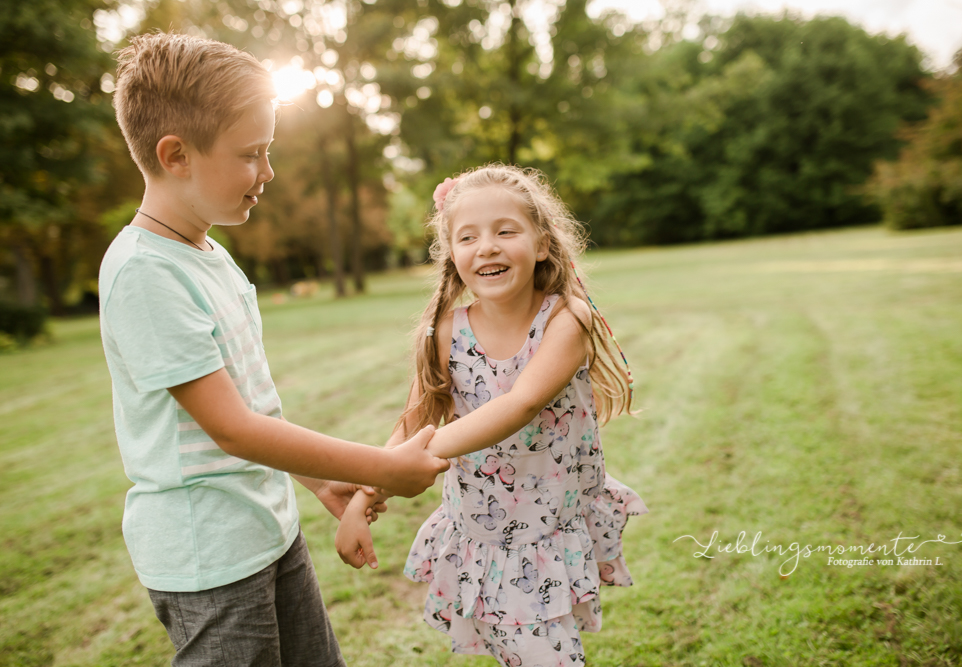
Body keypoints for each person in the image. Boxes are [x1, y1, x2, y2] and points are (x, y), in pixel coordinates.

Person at [98, 33, 449, 666]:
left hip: (265, 531)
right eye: (251, 154)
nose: (268, 172)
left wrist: (318, 480)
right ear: (175, 155)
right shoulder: (146, 273)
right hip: (210, 560)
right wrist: (380, 466)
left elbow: (253, 407)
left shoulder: (206, 254)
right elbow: (232, 429)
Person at [335, 164, 648, 666]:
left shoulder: (566, 320)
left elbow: (519, 404)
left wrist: (418, 458)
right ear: (452, 255)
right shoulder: (445, 334)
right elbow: (415, 420)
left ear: (542, 243)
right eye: (468, 237)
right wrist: (364, 496)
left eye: (506, 231)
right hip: (480, 532)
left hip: (544, 527)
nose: (487, 247)